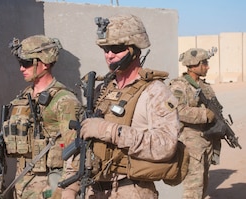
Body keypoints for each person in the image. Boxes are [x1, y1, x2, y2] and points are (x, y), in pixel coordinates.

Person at [77, 14, 180, 199]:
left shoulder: (155, 92)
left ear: (134, 49)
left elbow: (166, 145)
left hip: (131, 189)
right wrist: (71, 186)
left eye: (116, 48)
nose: (109, 55)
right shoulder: (103, 89)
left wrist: (111, 131)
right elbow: (83, 141)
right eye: (105, 48)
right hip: (94, 188)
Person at [0, 35, 81, 199]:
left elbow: (75, 153)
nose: (21, 68)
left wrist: (64, 192)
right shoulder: (23, 98)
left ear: (45, 62)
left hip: (49, 188)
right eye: (20, 63)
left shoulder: (64, 101)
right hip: (22, 185)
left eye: (26, 63)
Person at [169, 47, 221, 199]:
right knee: (193, 189)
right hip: (191, 143)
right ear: (193, 65)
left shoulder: (205, 86)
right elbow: (178, 109)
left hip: (206, 141)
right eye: (204, 63)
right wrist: (205, 114)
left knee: (203, 185)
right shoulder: (180, 86)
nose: (207, 66)